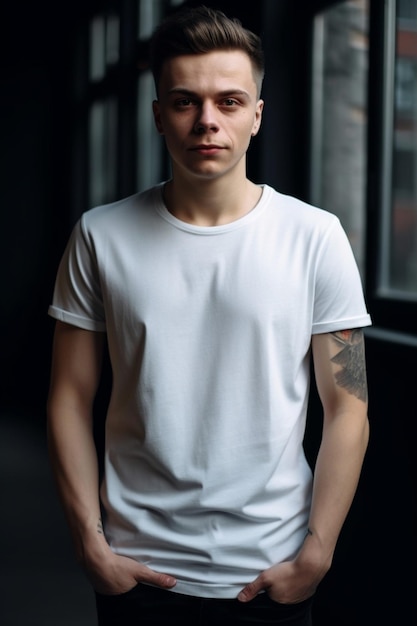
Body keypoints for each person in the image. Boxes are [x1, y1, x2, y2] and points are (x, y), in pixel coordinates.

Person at [46, 5, 371, 625]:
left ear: (256, 116)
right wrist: (90, 541)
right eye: (184, 101)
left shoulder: (315, 237)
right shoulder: (101, 235)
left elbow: (348, 403)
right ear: (159, 117)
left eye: (228, 102)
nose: (207, 122)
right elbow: (68, 395)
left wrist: (319, 551)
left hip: (271, 570)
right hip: (136, 567)